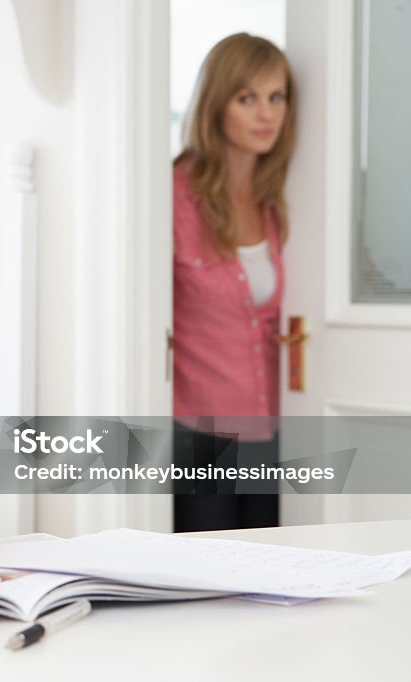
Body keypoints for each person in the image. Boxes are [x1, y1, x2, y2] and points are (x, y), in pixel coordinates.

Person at [172, 33, 296, 532]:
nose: (266, 114)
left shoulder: (277, 197)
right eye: (247, 99)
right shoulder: (174, 194)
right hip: (200, 432)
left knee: (272, 573)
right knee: (211, 583)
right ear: (215, 104)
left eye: (277, 96)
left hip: (270, 424)